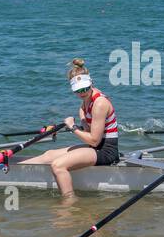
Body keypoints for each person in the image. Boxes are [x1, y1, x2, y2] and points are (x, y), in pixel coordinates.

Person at [23, 58, 119, 198]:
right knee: (48, 154)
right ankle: (12, 168)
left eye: (85, 88)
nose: (83, 92)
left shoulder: (99, 104)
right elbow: (85, 119)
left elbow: (94, 141)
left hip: (106, 151)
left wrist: (73, 127)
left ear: (91, 83)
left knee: (57, 165)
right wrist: (83, 121)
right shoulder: (87, 99)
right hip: (95, 147)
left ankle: (69, 202)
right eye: (78, 90)